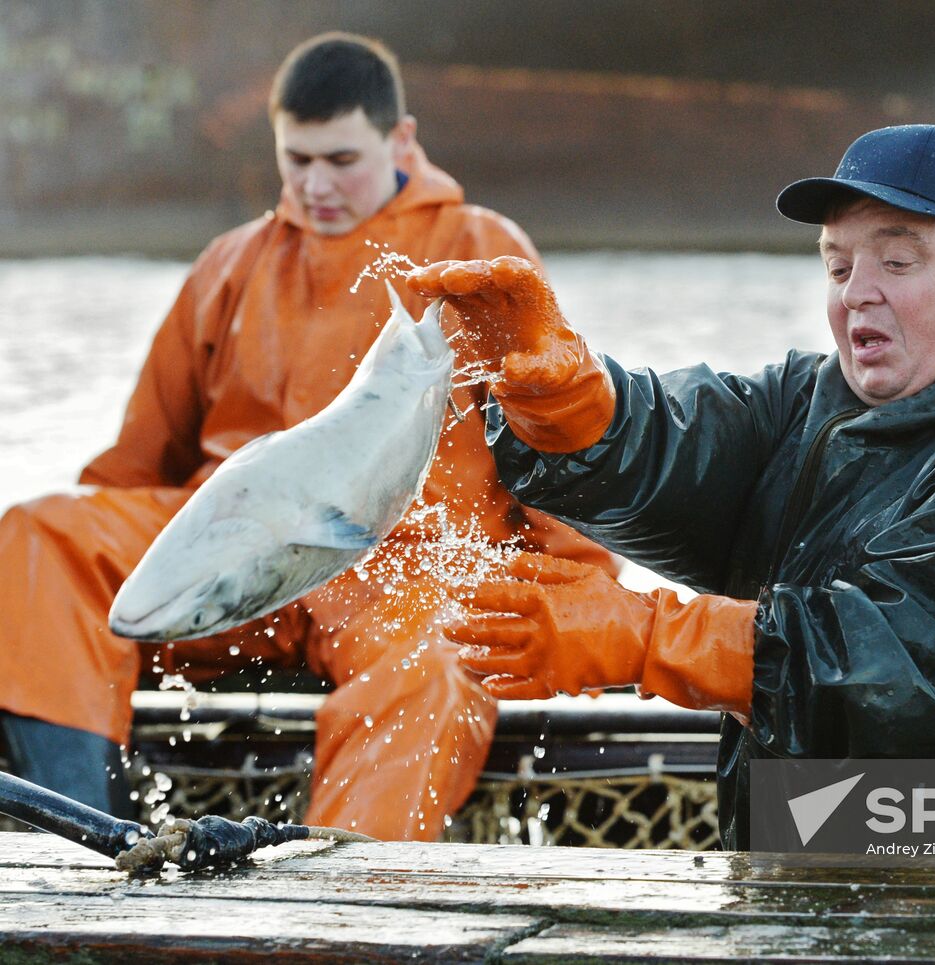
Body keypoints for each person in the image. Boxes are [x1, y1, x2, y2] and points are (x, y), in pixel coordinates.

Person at [410, 124, 935, 848]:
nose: (857, 293)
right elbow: (678, 446)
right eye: (837, 266)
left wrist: (647, 636)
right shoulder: (811, 401)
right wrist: (570, 404)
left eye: (897, 261)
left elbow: (920, 673)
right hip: (811, 879)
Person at [0, 32, 617, 839]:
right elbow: (131, 466)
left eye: (340, 158)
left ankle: (337, 900)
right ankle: (87, 840)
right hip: (234, 559)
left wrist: (588, 599)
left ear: (401, 140)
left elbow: (555, 432)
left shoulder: (479, 252)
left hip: (398, 574)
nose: (316, 184)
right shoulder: (231, 262)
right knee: (39, 536)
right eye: (297, 160)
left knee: (436, 668)